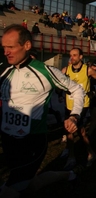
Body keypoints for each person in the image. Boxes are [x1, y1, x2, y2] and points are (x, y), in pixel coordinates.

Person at [0, 24, 84, 197]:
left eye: (11, 47)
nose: (6, 52)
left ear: (27, 45)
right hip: (8, 141)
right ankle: (70, 175)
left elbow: (77, 90)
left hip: (32, 142)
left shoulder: (45, 71)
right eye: (3, 47)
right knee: (30, 185)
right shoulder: (5, 71)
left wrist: (74, 116)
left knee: (11, 190)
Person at [61, 48, 96, 169]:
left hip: (82, 105)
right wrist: (61, 91)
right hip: (69, 104)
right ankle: (85, 152)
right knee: (73, 130)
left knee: (74, 130)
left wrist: (94, 92)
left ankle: (72, 156)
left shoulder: (88, 70)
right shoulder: (66, 70)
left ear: (81, 57)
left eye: (75, 55)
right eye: (71, 55)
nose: (72, 57)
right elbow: (59, 84)